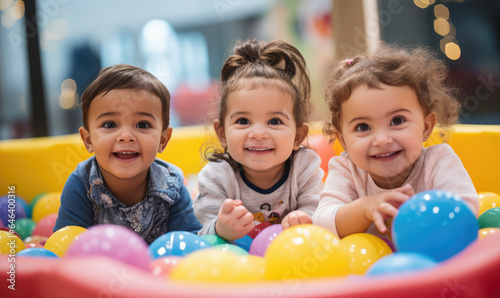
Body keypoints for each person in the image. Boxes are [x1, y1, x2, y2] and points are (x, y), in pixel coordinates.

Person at [312, 44, 479, 240]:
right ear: (343, 140)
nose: (382, 140)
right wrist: (365, 208)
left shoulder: (438, 160)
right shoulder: (347, 170)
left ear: (426, 127)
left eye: (397, 121)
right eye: (363, 127)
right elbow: (322, 223)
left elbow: (465, 210)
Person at [54, 64, 202, 244]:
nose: (126, 136)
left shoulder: (172, 185)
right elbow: (66, 247)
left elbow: (190, 243)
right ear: (88, 140)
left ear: (163, 139)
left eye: (142, 125)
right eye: (110, 125)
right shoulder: (82, 185)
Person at [193, 39, 324, 241]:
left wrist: (304, 218)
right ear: (222, 134)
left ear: (298, 136)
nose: (258, 133)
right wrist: (220, 229)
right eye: (243, 121)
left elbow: (320, 214)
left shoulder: (304, 167)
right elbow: (201, 236)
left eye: (274, 121)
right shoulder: (217, 176)